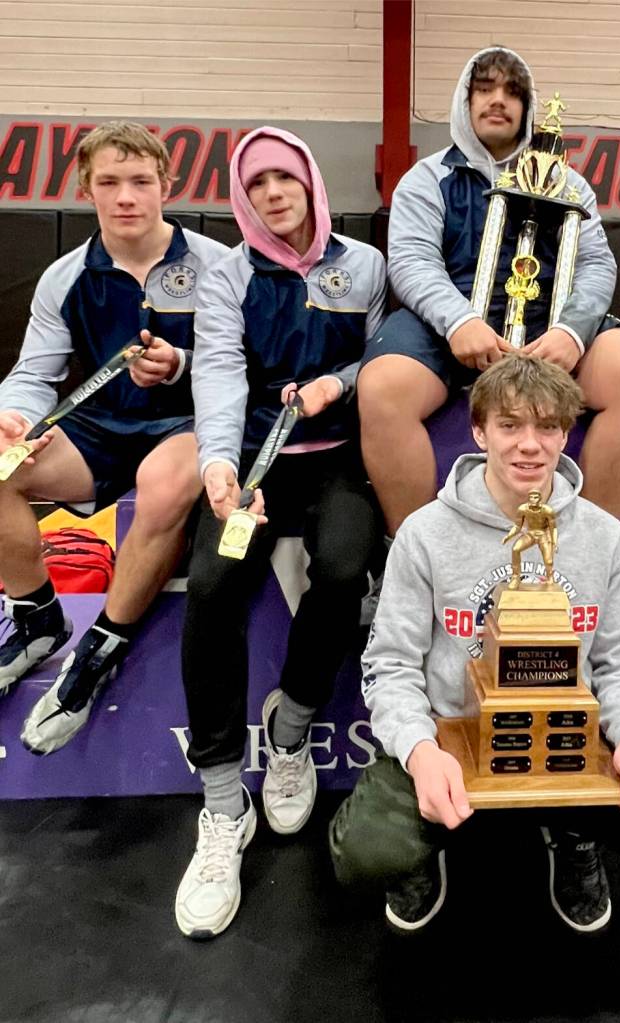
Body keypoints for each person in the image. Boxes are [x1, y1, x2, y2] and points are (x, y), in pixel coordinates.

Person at [330, 355, 620, 935]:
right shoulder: (424, 534)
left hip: (573, 737)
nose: (530, 445)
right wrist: (421, 753)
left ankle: (576, 832)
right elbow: (390, 664)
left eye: (547, 427)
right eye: (510, 425)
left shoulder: (603, 535)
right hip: (456, 736)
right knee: (365, 858)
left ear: (566, 433)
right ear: (479, 431)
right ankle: (419, 857)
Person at [174, 126, 386, 940]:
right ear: (243, 195)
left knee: (342, 568)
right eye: (255, 181)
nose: (271, 191)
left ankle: (290, 730)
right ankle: (225, 808)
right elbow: (220, 369)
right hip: (255, 466)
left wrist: (341, 380)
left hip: (338, 462)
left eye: (283, 176)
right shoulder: (228, 276)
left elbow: (393, 359)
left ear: (309, 180)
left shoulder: (362, 265)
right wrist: (221, 468)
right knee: (215, 584)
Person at [358, 46, 620, 538]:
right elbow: (414, 262)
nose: (497, 100)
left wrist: (573, 331)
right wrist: (459, 321)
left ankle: (588, 550)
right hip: (452, 328)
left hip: (549, 325)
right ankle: (413, 557)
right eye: (484, 89)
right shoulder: (428, 179)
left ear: (527, 106)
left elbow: (596, 264)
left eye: (511, 92)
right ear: (464, 100)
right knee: (381, 389)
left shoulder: (567, 183)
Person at [0, 121, 228, 755]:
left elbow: (246, 363)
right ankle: (37, 618)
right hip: (98, 428)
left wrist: (180, 363)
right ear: (86, 188)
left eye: (140, 181)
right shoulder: (64, 277)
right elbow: (32, 373)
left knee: (161, 486)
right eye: (109, 182)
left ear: (166, 185)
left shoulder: (219, 267)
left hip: (190, 424)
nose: (126, 196)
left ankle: (99, 650)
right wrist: (13, 417)